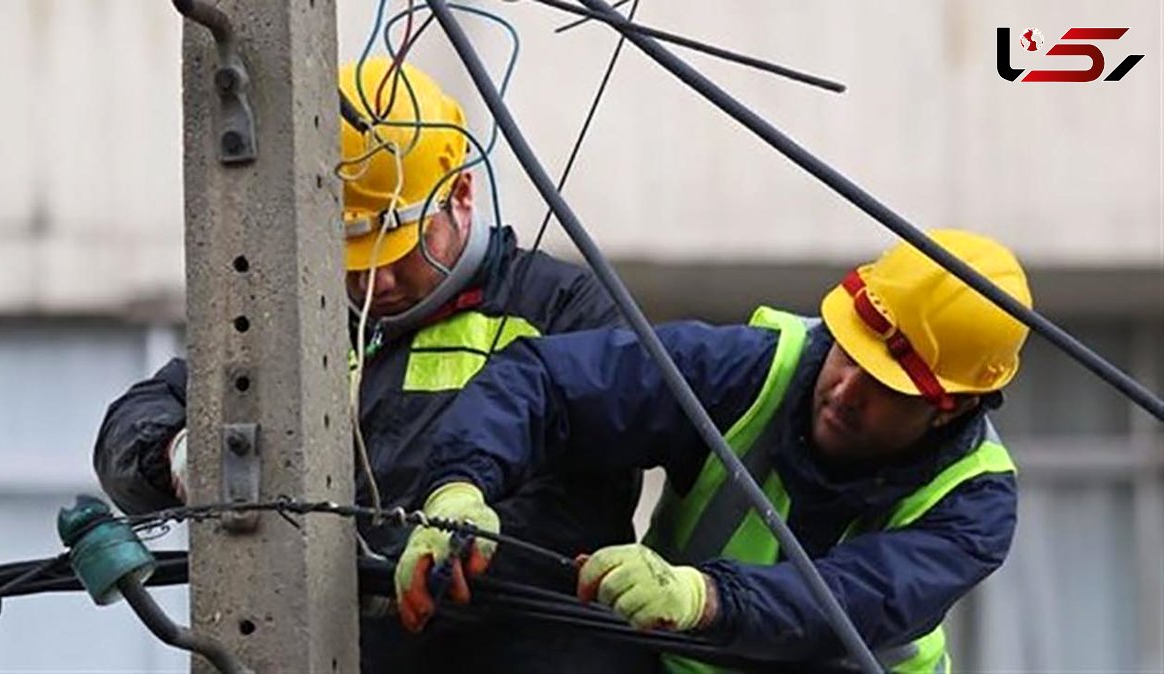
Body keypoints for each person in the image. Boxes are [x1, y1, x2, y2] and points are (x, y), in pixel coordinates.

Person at [92, 57, 649, 674]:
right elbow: (134, 422)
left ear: (461, 194)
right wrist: (180, 457)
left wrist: (410, 558)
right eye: (351, 250)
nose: (375, 278)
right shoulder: (295, 323)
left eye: (397, 243)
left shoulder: (562, 311)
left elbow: (586, 501)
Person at [396, 230, 1032, 673]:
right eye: (848, 350)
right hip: (682, 664)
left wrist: (702, 597)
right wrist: (459, 489)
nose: (843, 388)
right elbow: (547, 383)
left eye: (883, 385)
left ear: (951, 405)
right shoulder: (755, 370)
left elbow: (848, 602)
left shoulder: (974, 504)